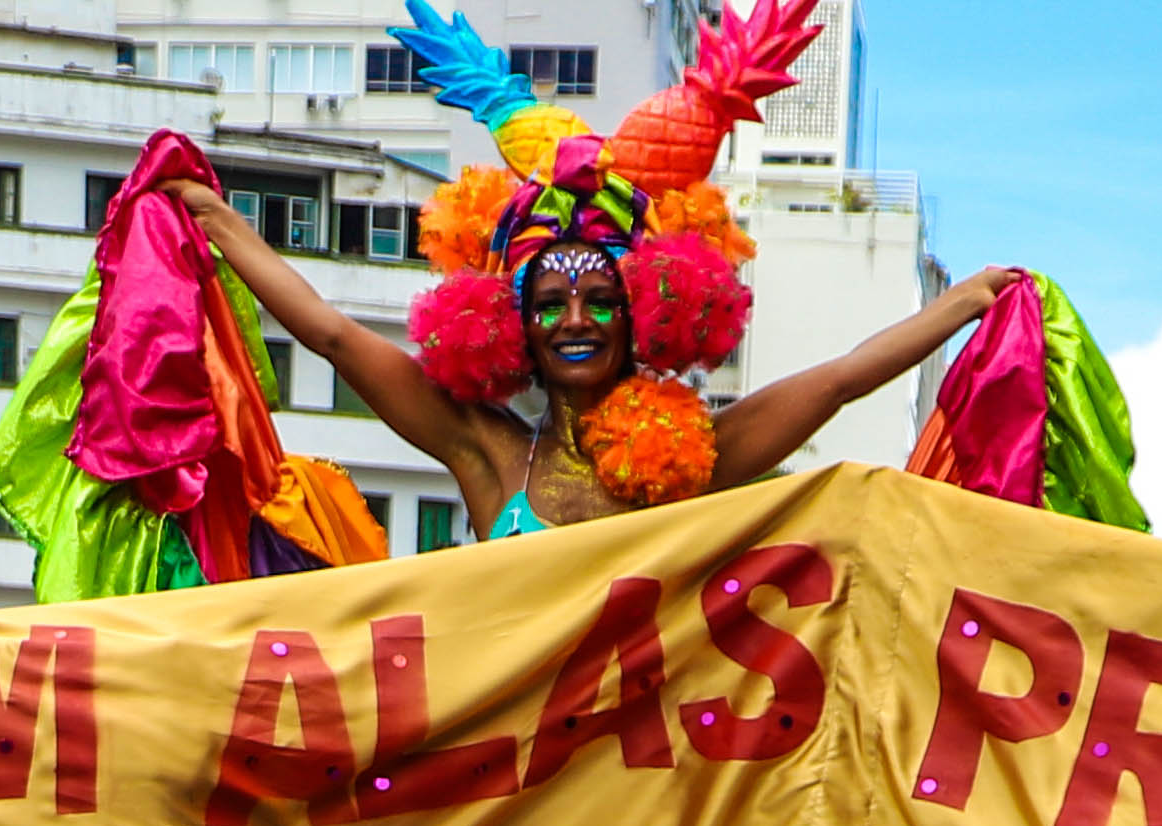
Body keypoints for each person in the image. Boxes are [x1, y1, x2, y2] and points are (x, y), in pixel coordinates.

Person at [168, 11, 1002, 536]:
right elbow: (331, 337)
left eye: (602, 300)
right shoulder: (487, 452)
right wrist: (221, 224)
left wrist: (965, 303)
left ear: (647, 317)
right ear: (511, 325)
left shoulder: (699, 458)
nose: (575, 318)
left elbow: (841, 380)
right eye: (553, 302)